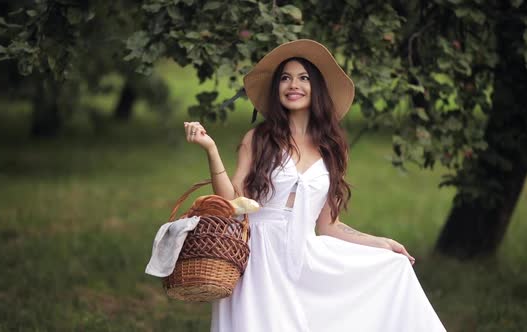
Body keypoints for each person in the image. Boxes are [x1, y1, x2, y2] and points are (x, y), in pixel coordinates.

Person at [183, 39, 446, 332]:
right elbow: (230, 202)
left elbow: (329, 226)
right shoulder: (258, 139)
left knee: (386, 274)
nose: (293, 85)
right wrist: (211, 149)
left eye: (303, 78)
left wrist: (380, 244)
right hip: (258, 257)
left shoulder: (333, 148)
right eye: (285, 78)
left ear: (316, 87)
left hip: (303, 256)